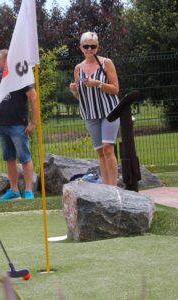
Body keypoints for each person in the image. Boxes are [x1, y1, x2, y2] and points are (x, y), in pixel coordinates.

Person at [69, 32, 120, 186]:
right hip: (90, 113)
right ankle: (106, 186)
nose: (89, 49)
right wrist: (74, 90)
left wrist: (98, 84)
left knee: (108, 148)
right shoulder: (78, 68)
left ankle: (113, 187)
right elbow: (80, 97)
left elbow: (115, 89)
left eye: (93, 46)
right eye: (86, 46)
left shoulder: (107, 63)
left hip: (109, 111)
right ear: (81, 48)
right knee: (100, 152)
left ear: (97, 47)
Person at [0, 49, 38, 200]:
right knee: (9, 158)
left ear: (6, 60)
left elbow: (33, 98)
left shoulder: (20, 76)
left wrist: (33, 122)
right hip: (3, 126)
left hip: (18, 125)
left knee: (25, 158)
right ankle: (14, 190)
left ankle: (28, 190)